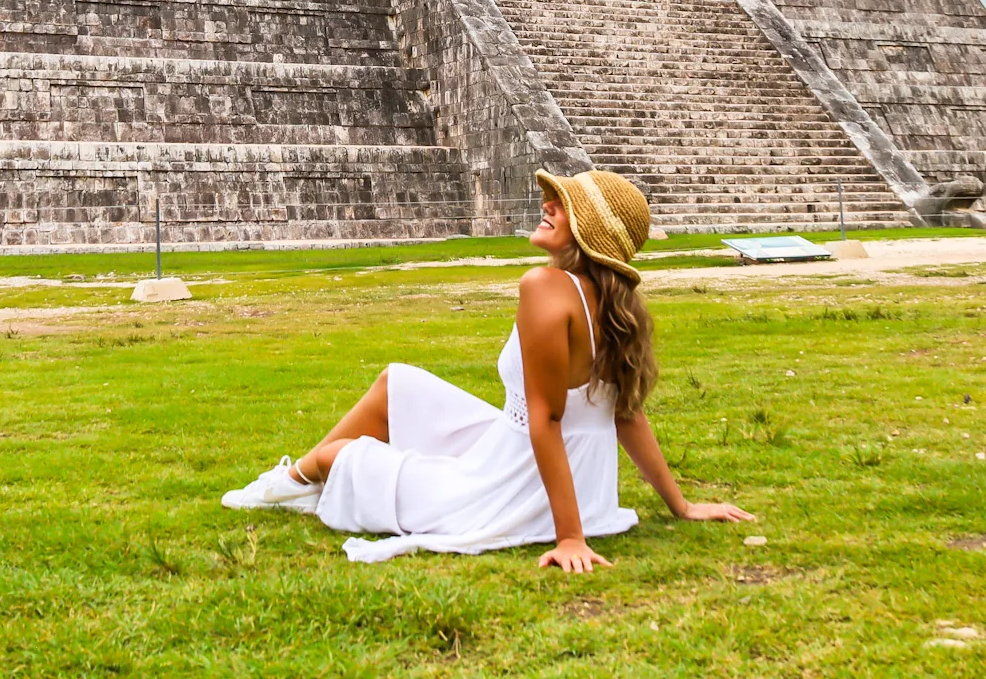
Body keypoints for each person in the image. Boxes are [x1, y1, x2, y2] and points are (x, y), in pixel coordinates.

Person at [223, 168, 754, 566]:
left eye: (562, 204)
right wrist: (680, 506)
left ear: (589, 231)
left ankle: (290, 482)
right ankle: (292, 482)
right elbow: (625, 416)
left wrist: (570, 536)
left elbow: (546, 419)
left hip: (514, 483)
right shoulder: (615, 304)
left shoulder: (544, 288)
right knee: (398, 382)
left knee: (338, 456)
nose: (546, 204)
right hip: (563, 473)